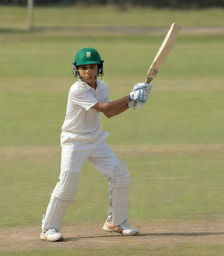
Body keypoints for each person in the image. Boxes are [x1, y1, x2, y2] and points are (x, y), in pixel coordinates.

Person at [40, 47, 152, 241]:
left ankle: (115, 222)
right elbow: (102, 107)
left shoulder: (102, 87)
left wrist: (131, 104)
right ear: (77, 70)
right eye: (84, 68)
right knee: (67, 183)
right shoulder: (77, 89)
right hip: (73, 141)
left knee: (120, 174)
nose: (88, 72)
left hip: (95, 139)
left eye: (92, 67)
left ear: (99, 68)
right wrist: (130, 96)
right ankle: (48, 228)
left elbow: (109, 113)